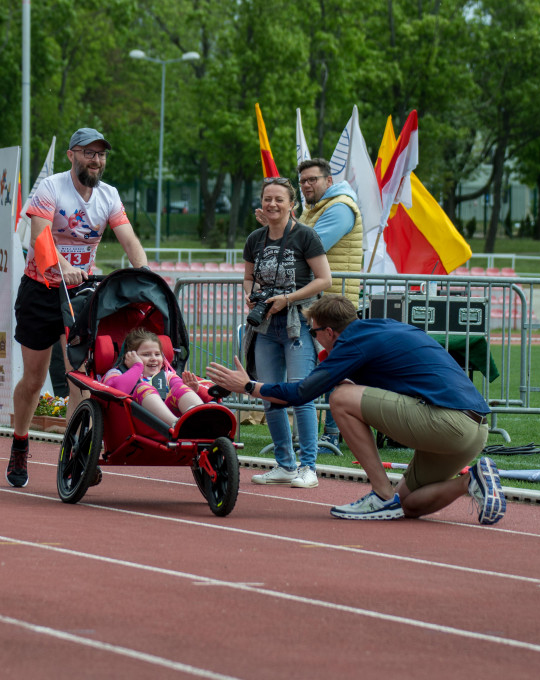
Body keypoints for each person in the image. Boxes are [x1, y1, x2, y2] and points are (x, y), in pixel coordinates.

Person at [206, 294, 505, 525]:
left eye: (314, 332)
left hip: (447, 422)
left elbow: (301, 393)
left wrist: (248, 386)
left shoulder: (353, 343)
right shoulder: (380, 328)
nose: (314, 338)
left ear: (331, 331)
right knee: (408, 505)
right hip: (475, 429)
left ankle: (381, 494)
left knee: (342, 398)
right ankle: (472, 480)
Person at [6, 128, 148, 488]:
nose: (95, 160)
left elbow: (129, 239)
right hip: (42, 289)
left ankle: (75, 452)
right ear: (71, 155)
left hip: (81, 293)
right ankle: (20, 441)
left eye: (100, 154)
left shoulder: (109, 196)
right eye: (88, 153)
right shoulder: (51, 188)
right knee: (35, 379)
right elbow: (40, 236)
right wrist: (61, 266)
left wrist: (144, 274)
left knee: (80, 378)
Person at [242, 176, 332, 489]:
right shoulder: (255, 238)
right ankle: (284, 465)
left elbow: (324, 279)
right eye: (268, 199)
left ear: (291, 204)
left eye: (279, 199)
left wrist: (288, 299)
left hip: (297, 323)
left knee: (301, 393)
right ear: (261, 203)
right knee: (269, 394)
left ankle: (309, 467)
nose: (273, 204)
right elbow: (248, 277)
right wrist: (252, 297)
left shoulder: (305, 235)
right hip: (265, 326)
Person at [296, 158, 363, 453]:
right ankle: (324, 433)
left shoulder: (339, 208)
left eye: (313, 179)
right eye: (303, 181)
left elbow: (311, 245)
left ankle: (333, 435)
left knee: (337, 368)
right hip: (322, 300)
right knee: (323, 366)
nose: (307, 185)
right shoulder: (314, 209)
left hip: (336, 301)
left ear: (329, 181)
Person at [100, 329, 207, 426]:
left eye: (157, 354)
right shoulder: (117, 372)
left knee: (179, 387)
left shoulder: (167, 375)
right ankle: (176, 424)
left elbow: (178, 386)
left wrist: (190, 389)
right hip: (139, 423)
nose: (153, 358)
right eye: (146, 355)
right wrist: (137, 366)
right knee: (143, 387)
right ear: (130, 356)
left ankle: (202, 418)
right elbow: (117, 390)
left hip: (169, 418)